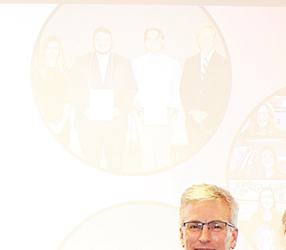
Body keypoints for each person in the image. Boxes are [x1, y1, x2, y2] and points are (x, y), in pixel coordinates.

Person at [68, 27, 137, 171]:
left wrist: (121, 108)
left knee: (115, 167)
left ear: (112, 42)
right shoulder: (81, 61)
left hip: (116, 126)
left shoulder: (123, 62)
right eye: (98, 39)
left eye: (106, 39)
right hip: (89, 126)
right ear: (93, 42)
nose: (102, 43)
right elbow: (71, 88)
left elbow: (131, 88)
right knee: (91, 167)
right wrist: (82, 109)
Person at [132, 27, 182, 171]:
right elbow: (133, 89)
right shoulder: (136, 64)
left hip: (166, 117)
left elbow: (176, 89)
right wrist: (139, 111)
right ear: (145, 43)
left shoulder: (173, 64)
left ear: (163, 41)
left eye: (156, 38)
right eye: (149, 38)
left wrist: (172, 111)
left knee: (164, 156)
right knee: (146, 157)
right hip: (143, 116)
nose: (153, 42)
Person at [179, 24, 232, 152]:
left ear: (214, 39)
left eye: (209, 36)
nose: (205, 39)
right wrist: (193, 111)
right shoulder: (189, 62)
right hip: (193, 122)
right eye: (202, 36)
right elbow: (184, 89)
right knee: (194, 159)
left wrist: (207, 113)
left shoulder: (224, 63)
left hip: (213, 122)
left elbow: (224, 93)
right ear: (198, 40)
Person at [31, 35, 71, 146]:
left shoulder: (66, 72)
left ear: (60, 51)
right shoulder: (35, 72)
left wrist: (62, 124)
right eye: (49, 48)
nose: (52, 51)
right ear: (44, 50)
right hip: (42, 120)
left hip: (62, 123)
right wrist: (46, 123)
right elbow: (36, 100)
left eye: (56, 48)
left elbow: (69, 100)